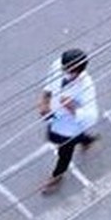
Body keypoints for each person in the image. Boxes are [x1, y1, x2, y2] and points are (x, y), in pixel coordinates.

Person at [39, 48, 98, 194]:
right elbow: (49, 84)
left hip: (70, 126)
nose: (64, 72)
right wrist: (44, 101)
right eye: (64, 68)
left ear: (78, 71)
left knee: (64, 153)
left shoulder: (87, 86)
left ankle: (57, 176)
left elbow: (92, 116)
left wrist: (72, 108)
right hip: (54, 116)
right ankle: (86, 140)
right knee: (52, 136)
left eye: (69, 70)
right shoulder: (58, 65)